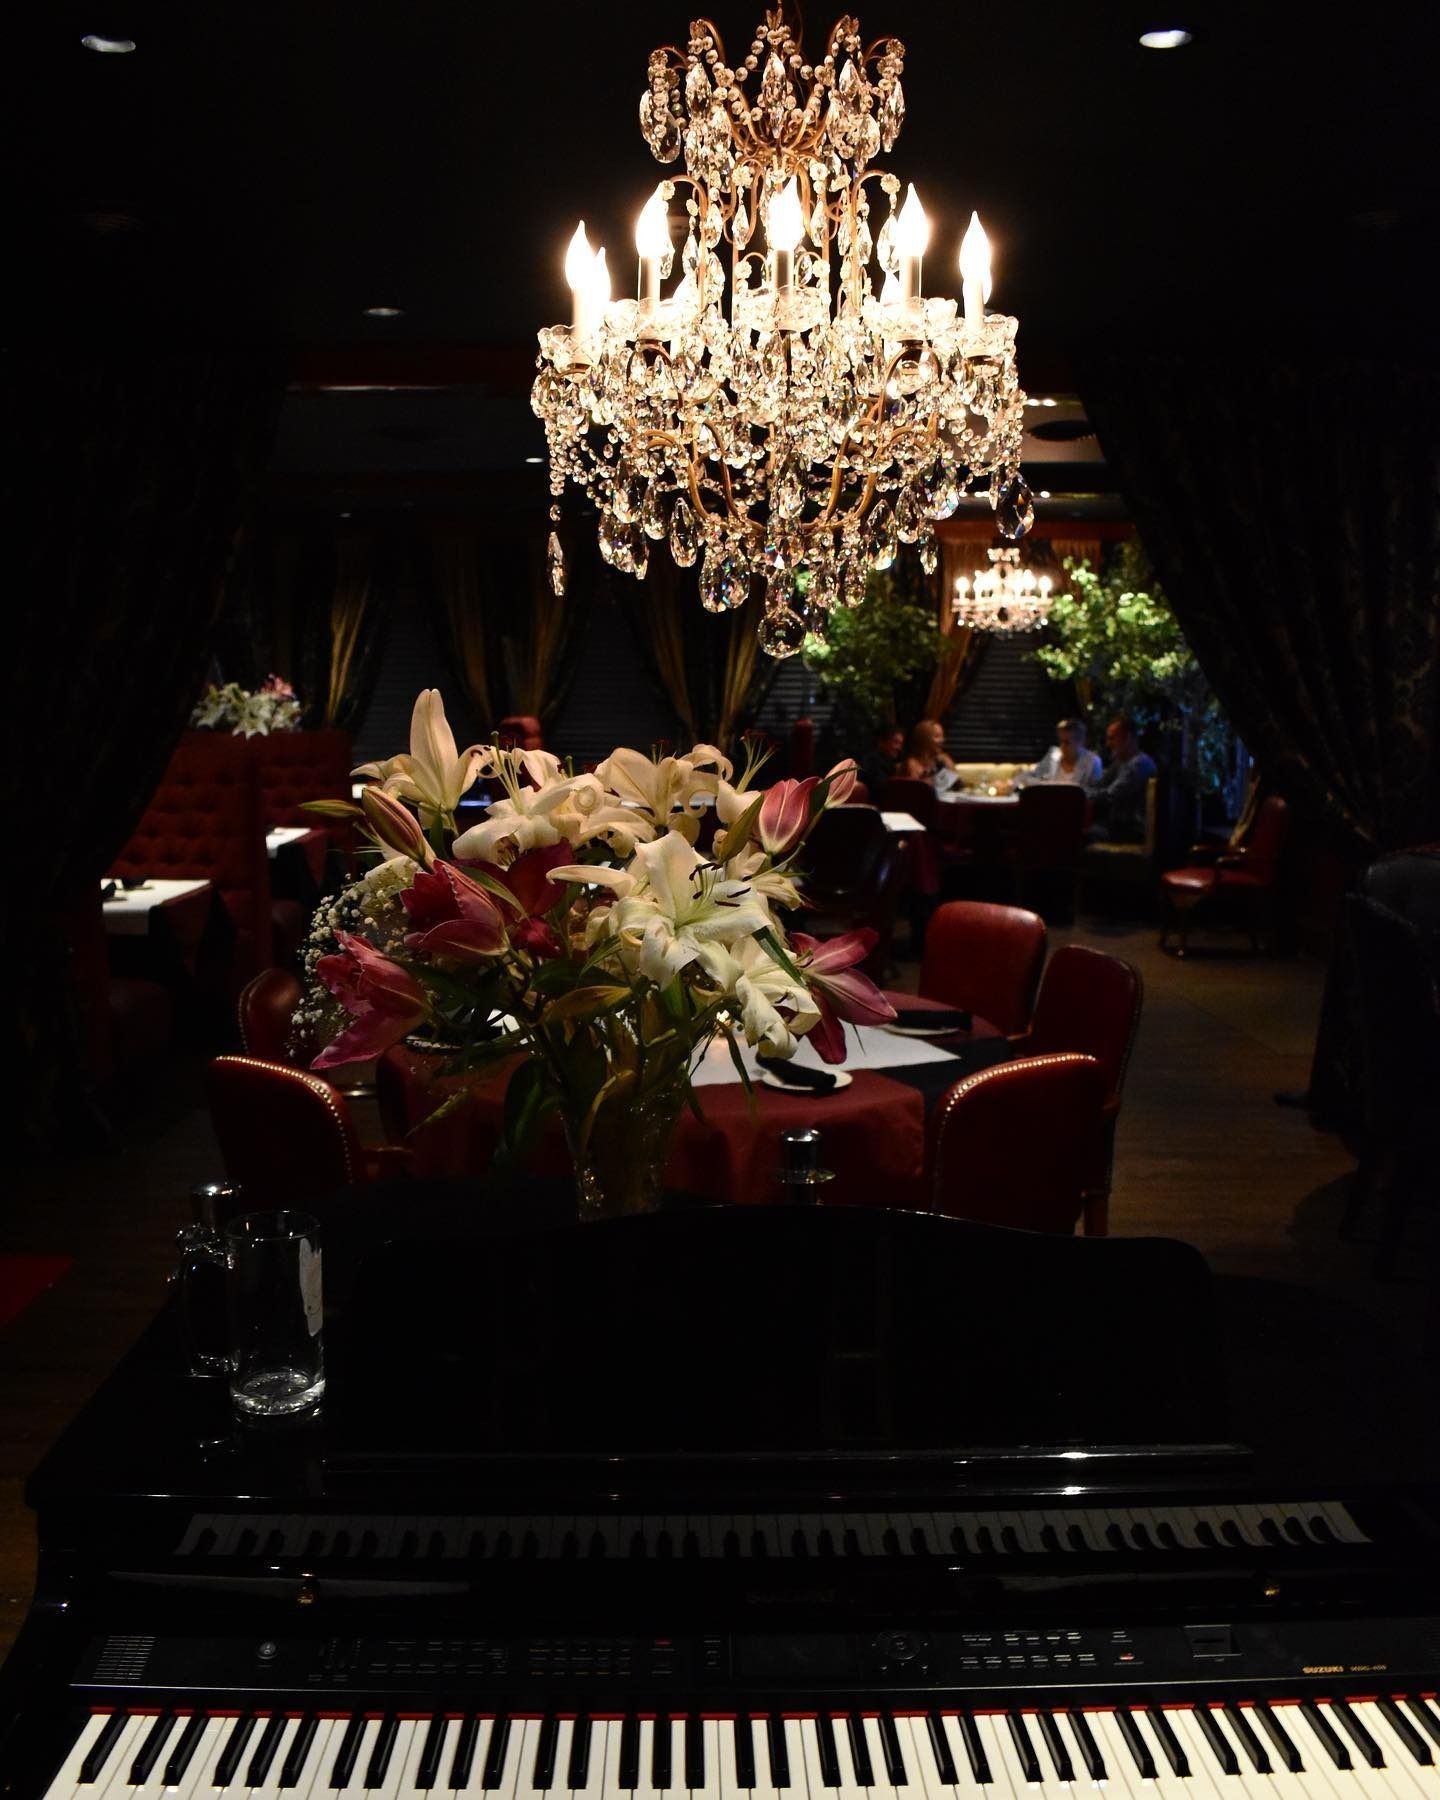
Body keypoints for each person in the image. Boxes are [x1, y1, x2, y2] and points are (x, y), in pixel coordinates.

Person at [1087, 715, 1158, 842]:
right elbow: (1099, 785)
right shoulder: (1121, 761)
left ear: (1128, 738)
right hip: (1118, 825)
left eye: (1112, 738)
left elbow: (1111, 795)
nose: (1108, 744)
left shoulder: (1139, 764)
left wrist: (1079, 794)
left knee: (1077, 835)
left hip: (1133, 829)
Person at [1019, 717, 1102, 788]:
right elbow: (1032, 776)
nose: (1062, 746)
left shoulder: (1092, 762)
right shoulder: (1054, 756)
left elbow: (1093, 792)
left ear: (1080, 742)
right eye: (1061, 741)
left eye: (1067, 742)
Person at [897, 718, 956, 783]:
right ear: (924, 739)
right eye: (937, 736)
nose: (942, 740)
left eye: (942, 736)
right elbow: (916, 788)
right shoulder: (912, 764)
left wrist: (950, 767)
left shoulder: (943, 760)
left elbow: (956, 784)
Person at [857, 723, 905, 796]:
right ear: (882, 742)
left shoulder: (889, 762)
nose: (899, 748)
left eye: (900, 744)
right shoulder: (872, 761)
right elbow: (882, 789)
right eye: (895, 742)